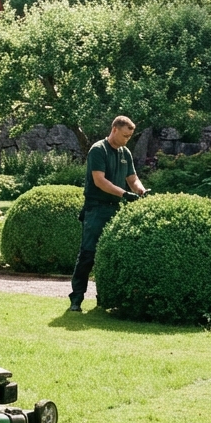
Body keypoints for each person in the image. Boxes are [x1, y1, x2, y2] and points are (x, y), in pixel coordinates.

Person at [68, 116, 147, 312]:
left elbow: (132, 178)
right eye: (125, 135)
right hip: (96, 208)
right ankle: (76, 298)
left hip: (115, 208)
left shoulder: (125, 152)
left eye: (129, 136)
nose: (127, 139)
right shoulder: (98, 150)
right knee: (88, 253)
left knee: (111, 253)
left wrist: (140, 190)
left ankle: (105, 297)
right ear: (114, 129)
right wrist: (124, 194)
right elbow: (99, 181)